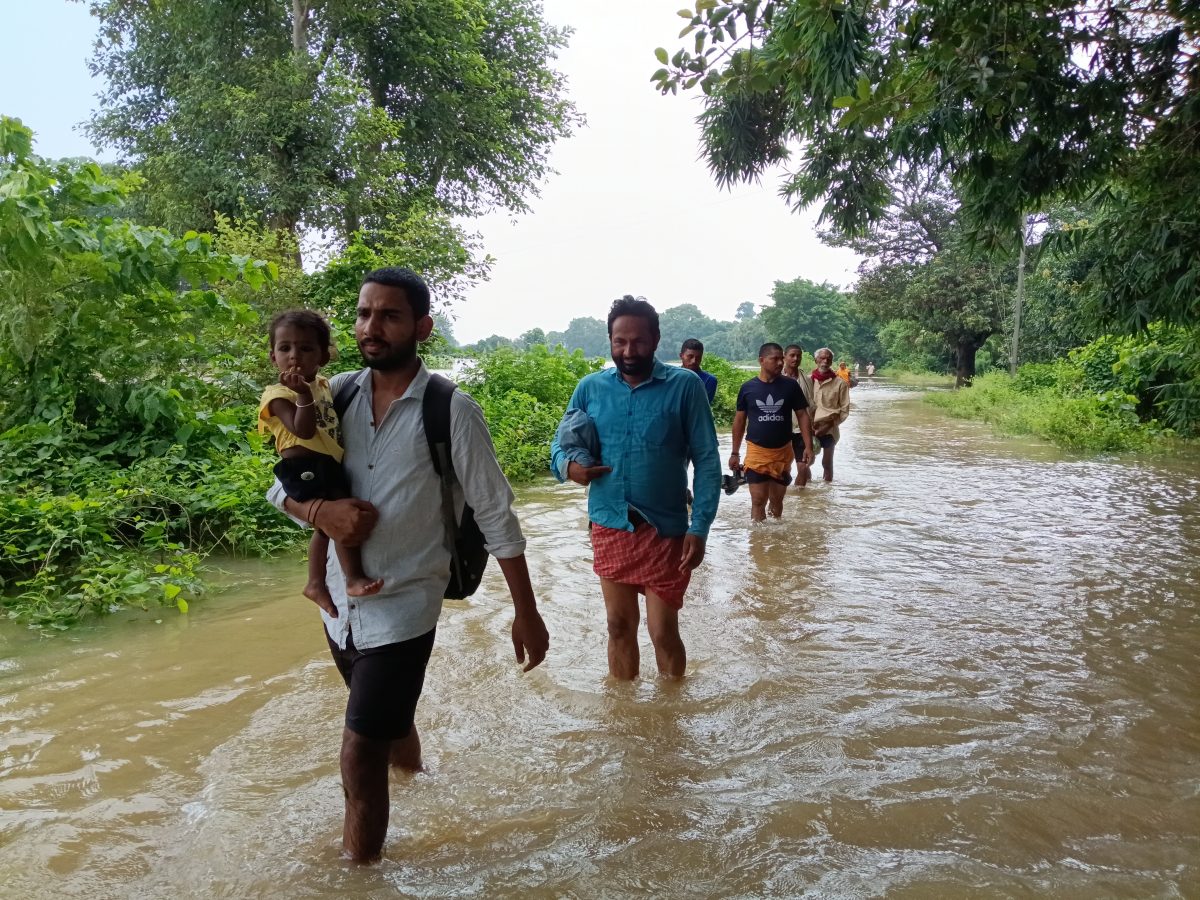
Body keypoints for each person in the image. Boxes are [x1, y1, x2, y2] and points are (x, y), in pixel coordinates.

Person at [267, 267, 550, 863]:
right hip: (340, 609)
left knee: (358, 748)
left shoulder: (451, 410)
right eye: (364, 314)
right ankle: (419, 783)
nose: (372, 327)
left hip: (404, 606)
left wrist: (526, 612)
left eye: (390, 315)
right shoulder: (333, 396)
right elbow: (281, 485)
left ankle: (358, 873)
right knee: (388, 726)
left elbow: (495, 514)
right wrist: (320, 511)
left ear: (422, 327)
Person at [551, 296, 720, 681]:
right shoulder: (590, 388)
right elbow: (560, 443)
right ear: (610, 341)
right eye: (620, 342)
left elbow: (707, 460)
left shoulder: (685, 386)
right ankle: (623, 710)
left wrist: (700, 528)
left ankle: (672, 706)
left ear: (656, 340)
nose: (628, 351)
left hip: (665, 529)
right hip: (610, 522)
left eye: (639, 342)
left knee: (663, 632)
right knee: (618, 626)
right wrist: (569, 467)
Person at [259, 309, 383, 602]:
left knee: (325, 528)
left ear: (323, 357)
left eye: (305, 348)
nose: (294, 356)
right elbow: (302, 430)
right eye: (285, 348)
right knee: (338, 515)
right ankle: (352, 577)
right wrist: (303, 394)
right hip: (302, 466)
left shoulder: (325, 385)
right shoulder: (278, 395)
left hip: (324, 464)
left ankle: (315, 583)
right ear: (273, 357)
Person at [730, 343, 814, 521]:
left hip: (782, 452)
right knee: (758, 500)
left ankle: (775, 535)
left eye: (781, 359)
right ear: (761, 360)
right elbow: (739, 421)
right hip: (756, 452)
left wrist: (809, 446)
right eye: (774, 359)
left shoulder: (790, 386)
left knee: (776, 501)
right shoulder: (748, 388)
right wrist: (735, 453)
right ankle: (758, 537)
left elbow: (802, 415)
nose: (780, 363)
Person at [811, 347, 851, 482]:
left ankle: (828, 489)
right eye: (822, 358)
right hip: (809, 428)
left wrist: (829, 425)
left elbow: (844, 410)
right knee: (805, 463)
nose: (825, 361)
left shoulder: (840, 383)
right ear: (816, 360)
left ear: (832, 362)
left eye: (828, 359)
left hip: (830, 428)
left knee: (827, 463)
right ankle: (805, 489)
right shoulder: (809, 381)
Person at [782, 343, 815, 487]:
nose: (796, 359)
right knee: (783, 469)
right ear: (784, 357)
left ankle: (800, 497)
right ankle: (784, 496)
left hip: (801, 430)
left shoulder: (807, 380)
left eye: (798, 356)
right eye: (792, 355)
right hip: (781, 430)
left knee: (803, 468)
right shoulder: (776, 378)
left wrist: (812, 427)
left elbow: (811, 405)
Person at [679, 338, 718, 404]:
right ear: (681, 356)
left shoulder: (709, 380)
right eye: (690, 356)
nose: (694, 361)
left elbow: (701, 405)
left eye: (698, 357)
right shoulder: (671, 376)